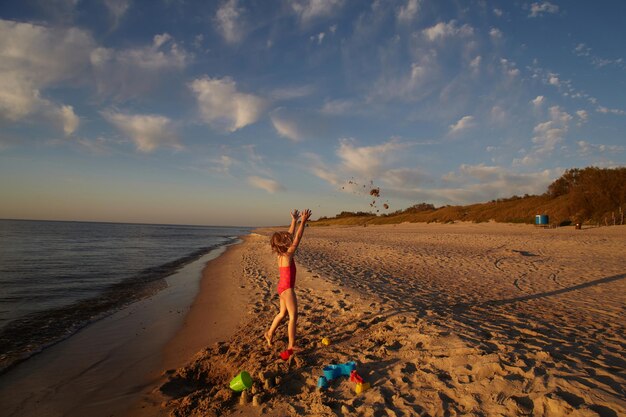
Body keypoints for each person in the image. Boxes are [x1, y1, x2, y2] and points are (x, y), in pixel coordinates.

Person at [265, 208, 312, 360]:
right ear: (285, 243)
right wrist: (303, 222)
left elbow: (290, 235)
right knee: (293, 316)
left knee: (282, 313)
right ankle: (291, 345)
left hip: (281, 287)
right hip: (287, 290)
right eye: (286, 238)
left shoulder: (280, 253)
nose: (289, 236)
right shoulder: (288, 254)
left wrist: (294, 220)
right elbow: (297, 237)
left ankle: (269, 333)